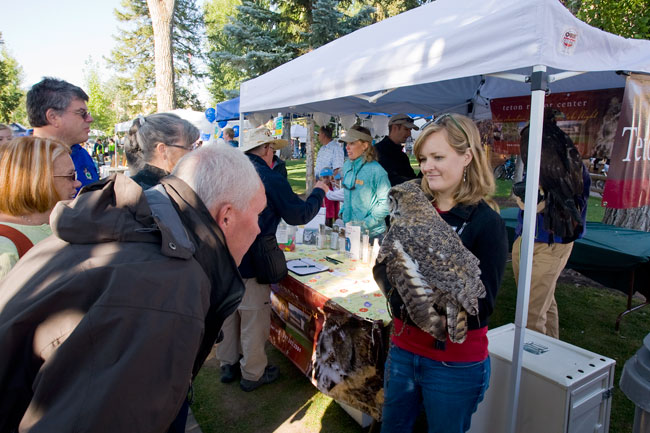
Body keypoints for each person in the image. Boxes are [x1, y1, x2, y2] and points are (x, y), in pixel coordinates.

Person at [0, 146, 266, 432]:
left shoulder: (133, 228)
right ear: (226, 217)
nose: (259, 228)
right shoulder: (168, 288)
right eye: (258, 215)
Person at [376, 113, 508, 433]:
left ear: (466, 157)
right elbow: (383, 270)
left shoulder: (485, 223)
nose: (427, 166)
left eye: (438, 157)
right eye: (422, 158)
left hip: (454, 362)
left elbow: (479, 306)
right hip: (404, 350)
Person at [216, 126, 328, 392]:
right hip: (253, 256)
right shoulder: (266, 177)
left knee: (229, 312)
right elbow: (298, 215)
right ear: (266, 150)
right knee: (253, 315)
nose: (273, 154)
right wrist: (318, 191)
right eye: (272, 149)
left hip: (223, 255)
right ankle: (252, 373)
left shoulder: (226, 175)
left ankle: (227, 363)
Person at [0, 136, 80, 279]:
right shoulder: (5, 246)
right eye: (70, 176)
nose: (77, 183)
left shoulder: (53, 224)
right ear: (40, 180)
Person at [27, 77, 100, 188]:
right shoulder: (18, 162)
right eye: (82, 113)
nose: (90, 119)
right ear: (53, 117)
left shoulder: (81, 154)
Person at [339, 125, 391, 241]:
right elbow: (348, 194)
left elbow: (386, 204)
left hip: (372, 235)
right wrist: (342, 213)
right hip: (350, 231)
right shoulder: (347, 165)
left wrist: (364, 224)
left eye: (351, 143)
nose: (347, 147)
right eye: (346, 143)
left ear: (365, 145)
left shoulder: (377, 170)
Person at [124, 113, 200, 189]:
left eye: (194, 146)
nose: (194, 152)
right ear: (162, 149)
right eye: (190, 147)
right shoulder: (147, 192)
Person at [375, 113, 419, 186]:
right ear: (395, 128)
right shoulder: (378, 151)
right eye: (406, 129)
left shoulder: (402, 155)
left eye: (410, 130)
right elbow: (389, 179)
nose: (409, 134)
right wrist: (416, 181)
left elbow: (412, 177)